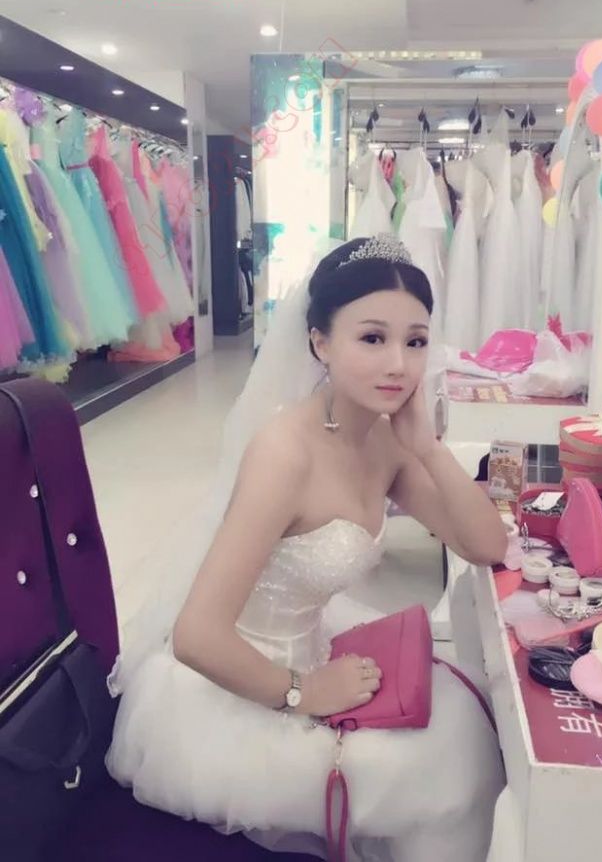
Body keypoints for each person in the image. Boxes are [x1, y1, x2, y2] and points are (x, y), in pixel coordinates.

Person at [106, 237, 506, 862]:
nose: (398, 364)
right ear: (320, 342)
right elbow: (197, 635)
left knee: (470, 727)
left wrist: (428, 447)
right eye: (372, 338)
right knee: (453, 772)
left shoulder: (386, 440)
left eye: (415, 341)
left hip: (316, 646)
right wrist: (304, 692)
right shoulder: (284, 452)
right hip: (239, 691)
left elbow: (486, 544)